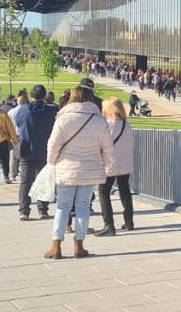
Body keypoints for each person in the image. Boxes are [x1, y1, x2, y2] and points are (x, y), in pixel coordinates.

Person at [43, 86, 116, 259]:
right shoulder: (99, 120)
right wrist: (103, 164)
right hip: (90, 169)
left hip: (66, 168)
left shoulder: (63, 119)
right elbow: (108, 148)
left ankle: (56, 245)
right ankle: (79, 244)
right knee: (83, 207)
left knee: (63, 207)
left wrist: (52, 162)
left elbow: (52, 145)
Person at [97, 97, 137, 235]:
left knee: (103, 191)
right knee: (124, 190)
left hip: (109, 163)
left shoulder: (106, 125)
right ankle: (129, 221)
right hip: (125, 163)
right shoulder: (126, 125)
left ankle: (109, 224)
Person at [15, 84, 56, 221]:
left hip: (27, 147)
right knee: (43, 179)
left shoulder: (22, 110)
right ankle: (42, 209)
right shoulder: (51, 110)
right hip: (44, 148)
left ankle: (24, 210)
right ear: (44, 96)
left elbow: (19, 125)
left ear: (31, 96)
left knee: (25, 181)